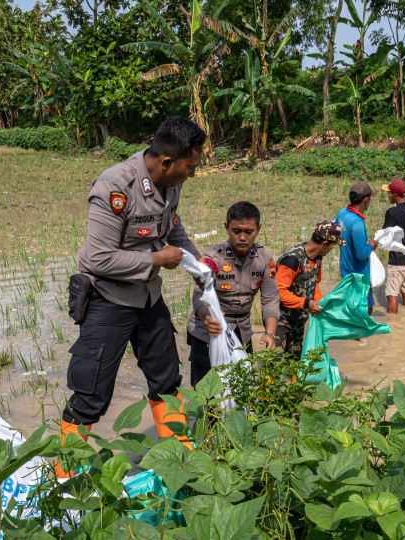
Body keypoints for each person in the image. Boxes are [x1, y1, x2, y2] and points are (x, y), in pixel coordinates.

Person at [58, 116, 206, 475]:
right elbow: (97, 258)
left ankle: (180, 458)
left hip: (148, 298)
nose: (192, 175)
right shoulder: (115, 186)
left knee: (167, 379)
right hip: (108, 300)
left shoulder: (172, 184)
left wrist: (197, 263)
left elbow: (173, 225)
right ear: (166, 161)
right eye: (190, 168)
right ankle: (65, 478)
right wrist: (156, 258)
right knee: (90, 394)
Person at [186, 201, 279, 386]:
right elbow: (198, 297)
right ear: (226, 228)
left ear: (258, 229)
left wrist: (270, 333)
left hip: (241, 332)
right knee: (207, 395)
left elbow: (270, 298)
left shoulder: (264, 258)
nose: (242, 237)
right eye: (236, 232)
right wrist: (208, 318)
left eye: (249, 232)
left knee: (242, 391)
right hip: (209, 331)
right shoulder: (212, 258)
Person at [274, 221, 342, 359]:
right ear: (324, 244)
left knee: (294, 361)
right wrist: (307, 303)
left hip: (298, 318)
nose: (332, 249)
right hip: (280, 319)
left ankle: (292, 381)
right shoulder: (292, 260)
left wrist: (319, 303)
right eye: (333, 246)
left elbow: (315, 283)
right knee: (273, 361)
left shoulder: (317, 257)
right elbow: (279, 293)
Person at [335, 182, 378, 314]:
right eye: (370, 197)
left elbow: (336, 234)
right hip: (359, 275)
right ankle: (356, 335)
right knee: (365, 312)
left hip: (345, 270)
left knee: (351, 309)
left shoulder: (342, 213)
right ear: (366, 199)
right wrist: (372, 244)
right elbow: (361, 254)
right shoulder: (358, 223)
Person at [381, 180, 405, 313]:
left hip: (397, 260)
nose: (388, 196)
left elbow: (386, 234)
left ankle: (393, 323)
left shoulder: (392, 212)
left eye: (389, 193)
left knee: (391, 294)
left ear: (394, 195)